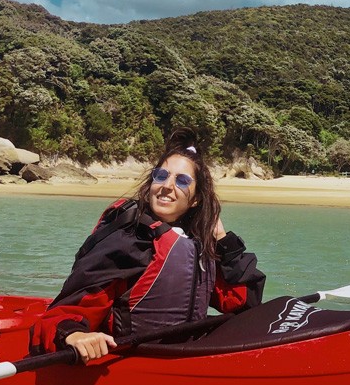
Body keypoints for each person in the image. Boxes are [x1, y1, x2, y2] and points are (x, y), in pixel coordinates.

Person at [30, 128, 265, 362]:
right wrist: (73, 334)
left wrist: (223, 241)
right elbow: (66, 312)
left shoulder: (195, 245)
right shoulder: (129, 241)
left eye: (182, 180)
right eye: (161, 176)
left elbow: (243, 303)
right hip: (130, 361)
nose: (167, 186)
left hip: (183, 355)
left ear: (195, 199)